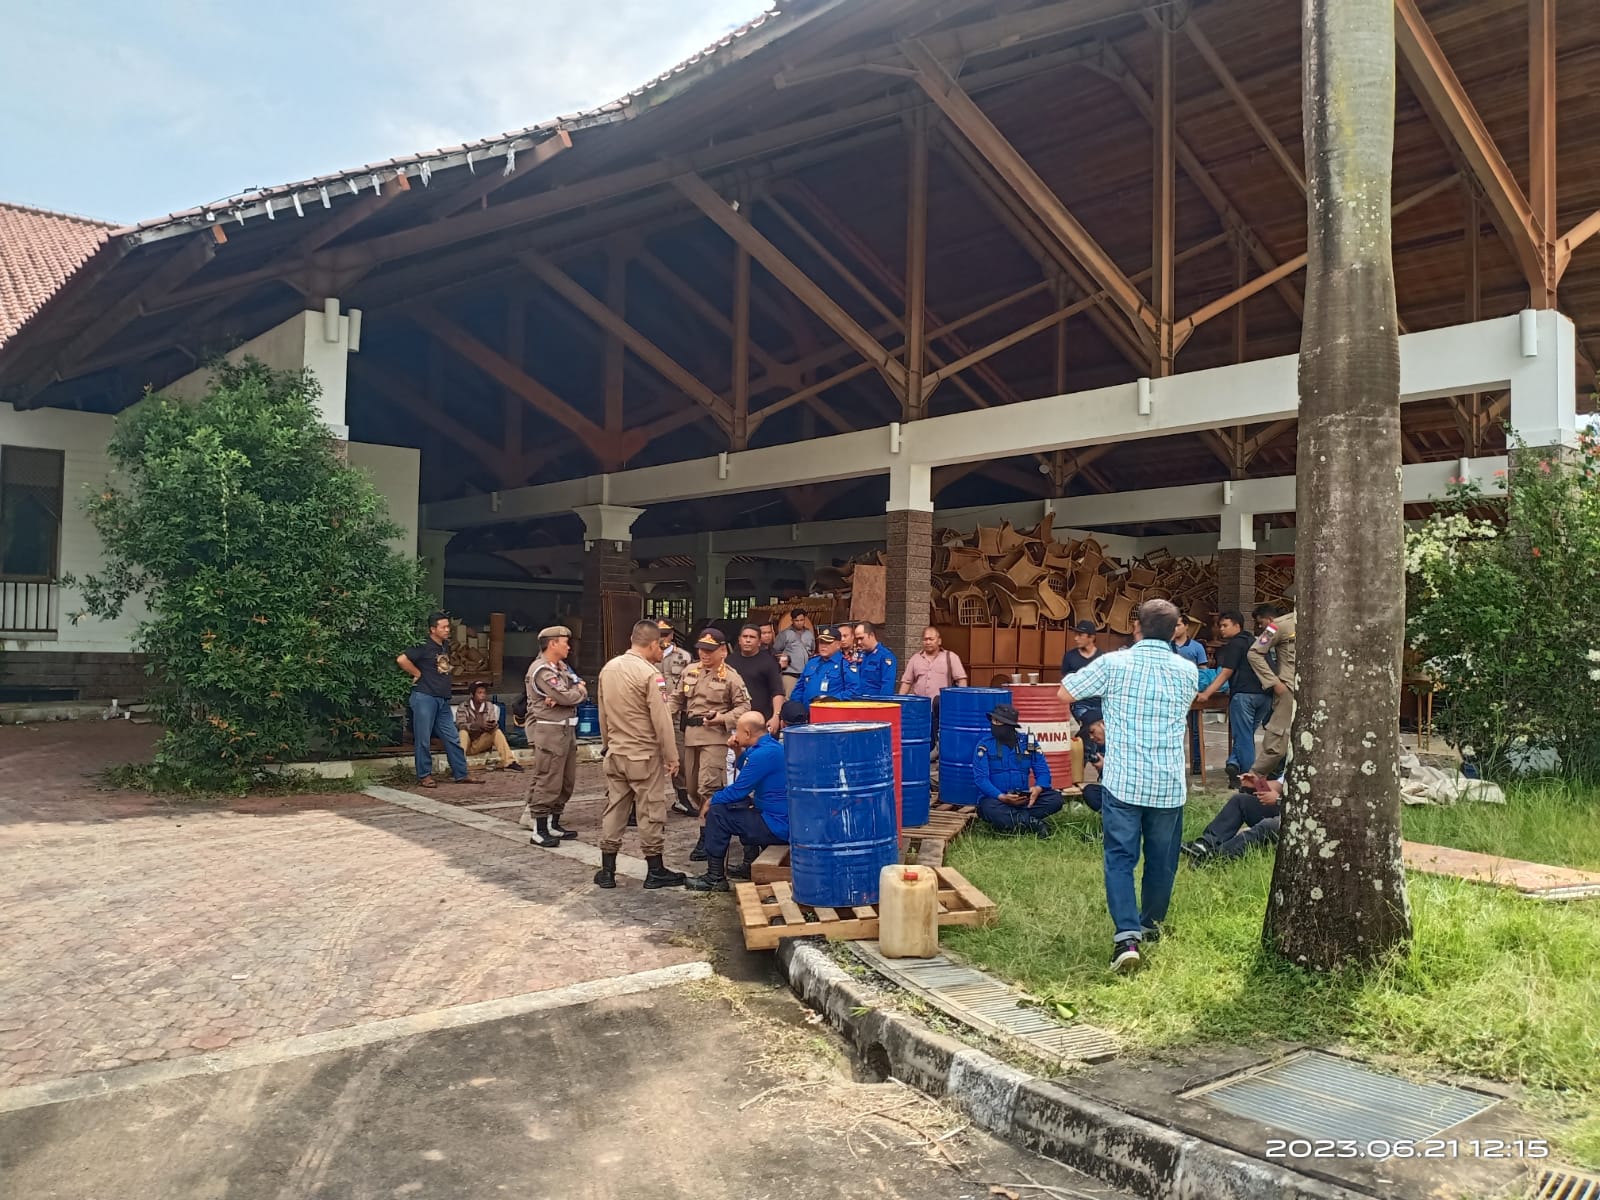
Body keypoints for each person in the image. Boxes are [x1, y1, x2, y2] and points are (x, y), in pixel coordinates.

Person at [1059, 598, 1197, 974]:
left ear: (1137, 627)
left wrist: (1101, 715)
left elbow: (1065, 692)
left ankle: (1126, 938)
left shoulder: (1114, 663)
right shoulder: (1187, 671)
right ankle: (1151, 926)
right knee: (1162, 862)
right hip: (1168, 782)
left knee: (1120, 859)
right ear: (1175, 632)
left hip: (1123, 780)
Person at [595, 620, 688, 890]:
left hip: (616, 752)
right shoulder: (650, 675)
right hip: (643, 756)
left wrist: (606, 744)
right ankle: (655, 869)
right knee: (651, 811)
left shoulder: (608, 669)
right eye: (661, 645)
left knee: (615, 809)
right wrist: (672, 756)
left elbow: (603, 713)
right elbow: (661, 720)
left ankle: (607, 870)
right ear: (652, 644)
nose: (663, 650)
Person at [684, 711, 790, 892]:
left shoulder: (762, 754)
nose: (735, 735)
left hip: (776, 825)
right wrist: (737, 750)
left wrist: (711, 801)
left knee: (718, 812)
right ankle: (747, 865)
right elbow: (749, 769)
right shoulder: (769, 747)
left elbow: (738, 790)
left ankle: (715, 877)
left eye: (738, 732)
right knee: (740, 806)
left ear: (747, 733)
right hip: (776, 818)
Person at [673, 629, 752, 862]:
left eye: (709, 650)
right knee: (691, 788)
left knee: (708, 787)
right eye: (701, 649)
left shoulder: (731, 676)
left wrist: (723, 719)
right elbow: (676, 698)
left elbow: (744, 707)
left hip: (715, 737)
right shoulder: (690, 671)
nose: (704, 654)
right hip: (691, 736)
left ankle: (708, 836)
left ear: (722, 651)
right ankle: (710, 827)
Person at [520, 625, 587, 848]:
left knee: (566, 780)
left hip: (566, 728)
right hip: (550, 730)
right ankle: (539, 828)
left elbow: (575, 686)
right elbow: (569, 695)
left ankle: (554, 823)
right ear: (552, 644)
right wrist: (572, 693)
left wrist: (571, 692)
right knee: (548, 778)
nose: (569, 646)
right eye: (564, 641)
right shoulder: (541, 670)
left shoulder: (560, 666)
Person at [396, 612, 481, 789]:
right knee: (423, 738)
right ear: (432, 629)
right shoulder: (423, 646)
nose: (447, 630)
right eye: (443, 627)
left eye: (448, 626)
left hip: (442, 699)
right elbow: (402, 659)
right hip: (425, 696)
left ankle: (461, 773)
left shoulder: (445, 646)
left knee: (452, 737)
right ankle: (425, 775)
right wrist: (417, 673)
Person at [1197, 611, 1272, 790]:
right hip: (1265, 695)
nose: (1221, 629)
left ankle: (1252, 781)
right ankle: (1233, 764)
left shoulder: (1235, 644)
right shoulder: (1259, 641)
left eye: (1225, 625)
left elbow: (1225, 672)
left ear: (1237, 626)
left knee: (1244, 738)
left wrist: (1207, 694)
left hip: (1244, 696)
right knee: (1245, 735)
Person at [972, 704, 1066, 837]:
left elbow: (1043, 771)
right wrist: (1003, 797)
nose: (993, 725)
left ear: (1009, 725)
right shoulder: (984, 744)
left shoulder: (1029, 741)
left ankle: (1014, 820)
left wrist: (1038, 789)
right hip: (996, 800)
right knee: (987, 808)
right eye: (992, 721)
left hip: (1023, 799)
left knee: (1055, 799)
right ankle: (1033, 823)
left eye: (997, 722)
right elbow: (981, 779)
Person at [1181, 773, 1282, 863]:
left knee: (1268, 825)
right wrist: (1257, 783)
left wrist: (1278, 799)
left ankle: (1215, 857)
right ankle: (1204, 844)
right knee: (1240, 801)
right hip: (1281, 808)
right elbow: (1280, 785)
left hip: (1294, 820)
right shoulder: (1295, 760)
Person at [1248, 606, 1296, 777]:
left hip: (1318, 693)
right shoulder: (1276, 626)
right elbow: (1254, 653)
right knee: (1276, 746)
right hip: (1289, 690)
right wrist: (1274, 681)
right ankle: (1253, 781)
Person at [657, 619, 695, 816]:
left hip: (676, 716)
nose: (663, 638)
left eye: (666, 634)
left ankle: (682, 798)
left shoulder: (683, 657)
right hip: (652, 716)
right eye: (659, 634)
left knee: (680, 758)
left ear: (672, 635)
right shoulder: (645, 656)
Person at [455, 681, 520, 772]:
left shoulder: (489, 706)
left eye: (484, 693)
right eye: (479, 693)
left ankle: (509, 762)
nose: (483, 695)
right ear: (472, 694)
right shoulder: (464, 706)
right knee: (463, 732)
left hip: (481, 743)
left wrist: (491, 726)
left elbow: (494, 722)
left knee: (497, 732)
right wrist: (478, 725)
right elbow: (460, 724)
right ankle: (459, 764)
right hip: (466, 744)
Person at [732, 624, 785, 733]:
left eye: (752, 637)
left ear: (759, 642)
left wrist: (776, 716)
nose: (747, 640)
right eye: (745, 637)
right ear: (739, 640)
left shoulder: (769, 662)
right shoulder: (729, 661)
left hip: (763, 721)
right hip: (735, 721)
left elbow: (777, 691)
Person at [790, 625, 859, 708]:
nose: (823, 646)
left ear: (838, 644)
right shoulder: (812, 662)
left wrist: (832, 699)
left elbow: (854, 690)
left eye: (828, 642)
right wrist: (796, 707)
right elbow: (799, 688)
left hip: (830, 713)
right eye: (821, 642)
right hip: (805, 714)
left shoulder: (845, 664)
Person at [1171, 620, 1208, 769]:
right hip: (1172, 695)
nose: (1175, 628)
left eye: (1179, 624)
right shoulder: (1167, 646)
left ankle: (1197, 762)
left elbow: (1203, 671)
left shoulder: (1197, 647)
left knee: (1195, 730)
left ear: (1186, 626)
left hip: (1192, 694)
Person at [1059, 620, 1104, 728]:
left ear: (1091, 637)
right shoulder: (1070, 656)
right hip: (1079, 704)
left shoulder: (1102, 658)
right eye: (1075, 635)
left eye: (1080, 635)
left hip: (1100, 704)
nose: (1076, 638)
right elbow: (1065, 682)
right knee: (1088, 723)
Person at [773, 608, 814, 698]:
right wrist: (784, 659)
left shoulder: (809, 633)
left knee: (805, 698)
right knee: (789, 698)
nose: (799, 623)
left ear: (805, 620)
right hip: (789, 673)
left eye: (801, 620)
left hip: (805, 673)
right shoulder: (785, 634)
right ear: (792, 620)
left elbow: (812, 650)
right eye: (796, 620)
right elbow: (775, 650)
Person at [852, 621, 899, 696]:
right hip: (858, 701)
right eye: (857, 639)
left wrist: (882, 705)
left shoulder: (885, 656)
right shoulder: (860, 655)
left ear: (871, 635)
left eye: (861, 638)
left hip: (874, 703)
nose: (859, 642)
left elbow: (887, 685)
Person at [1077, 717, 1106, 813]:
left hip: (1128, 792)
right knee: (1090, 792)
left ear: (1103, 724)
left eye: (1092, 731)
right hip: (1110, 791)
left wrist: (1107, 766)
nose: (1091, 737)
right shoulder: (1099, 746)